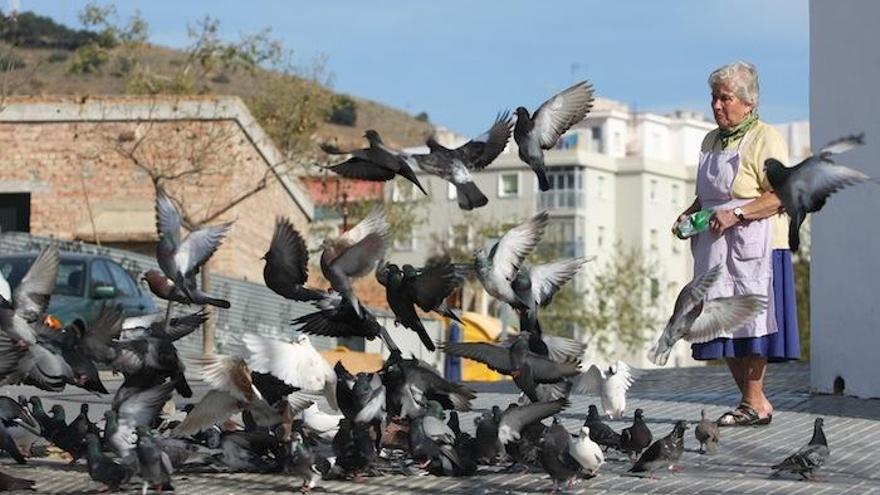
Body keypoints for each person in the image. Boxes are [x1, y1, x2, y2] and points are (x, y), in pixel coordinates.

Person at [672, 61, 800, 427]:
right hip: (713, 247)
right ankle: (752, 402)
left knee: (752, 322)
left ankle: (754, 402)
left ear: (748, 102)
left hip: (755, 248)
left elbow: (779, 196)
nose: (716, 105)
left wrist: (738, 215)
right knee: (717, 322)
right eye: (714, 97)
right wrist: (688, 214)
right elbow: (706, 196)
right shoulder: (709, 140)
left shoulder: (766, 137)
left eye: (725, 98)